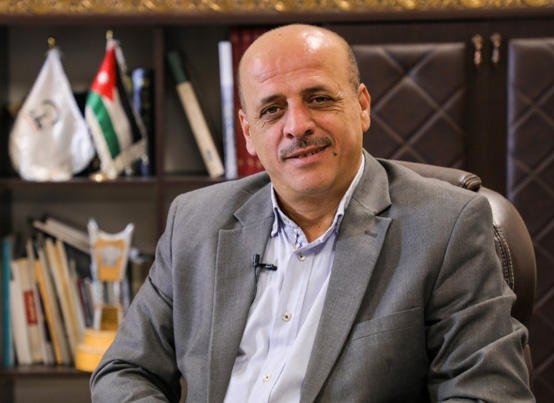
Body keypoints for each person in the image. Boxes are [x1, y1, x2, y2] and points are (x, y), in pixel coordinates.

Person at [91, 24, 533, 402]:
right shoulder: (195, 222)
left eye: (319, 99)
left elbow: (489, 392)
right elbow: (124, 370)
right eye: (272, 109)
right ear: (248, 132)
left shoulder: (447, 226)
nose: (297, 125)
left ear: (362, 106)